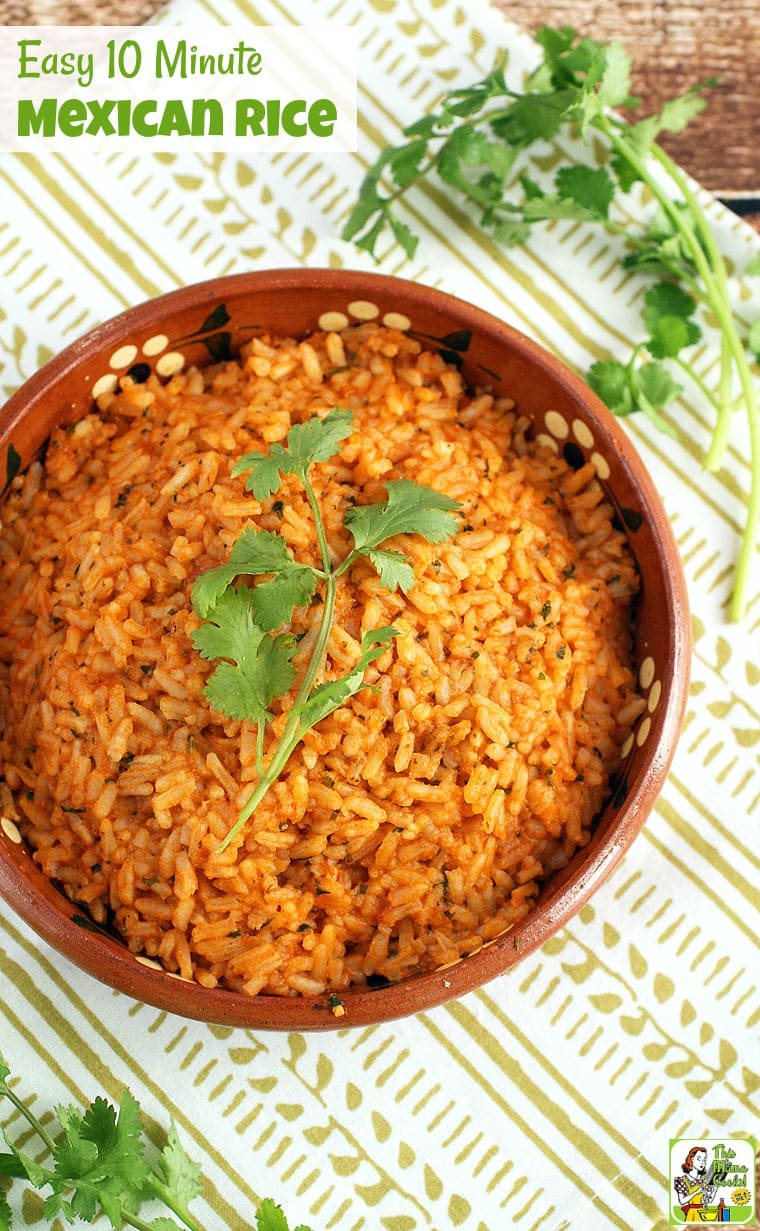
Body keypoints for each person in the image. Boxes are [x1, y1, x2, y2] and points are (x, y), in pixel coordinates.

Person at [673, 1147, 718, 1222]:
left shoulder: (704, 1180)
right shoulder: (681, 1180)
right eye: (699, 1159)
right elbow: (682, 1201)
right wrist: (697, 1192)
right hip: (692, 1214)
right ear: (691, 1159)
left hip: (702, 1214)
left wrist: (716, 1187)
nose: (702, 1163)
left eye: (704, 1160)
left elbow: (708, 1200)